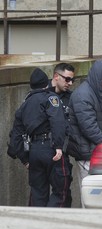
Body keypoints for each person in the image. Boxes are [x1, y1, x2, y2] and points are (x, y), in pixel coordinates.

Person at [11, 68, 70, 207]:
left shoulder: (24, 104)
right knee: (60, 190)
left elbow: (15, 134)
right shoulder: (51, 98)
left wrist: (25, 159)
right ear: (46, 84)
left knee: (37, 192)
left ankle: (35, 224)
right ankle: (51, 223)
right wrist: (58, 146)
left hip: (34, 151)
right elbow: (58, 122)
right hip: (51, 149)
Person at [68, 59, 102, 190]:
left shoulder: (95, 93)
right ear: (100, 78)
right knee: (90, 193)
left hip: (94, 150)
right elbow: (89, 127)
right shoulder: (83, 95)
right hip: (86, 152)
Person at [49, 62, 76, 207]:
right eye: (67, 79)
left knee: (64, 194)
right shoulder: (41, 94)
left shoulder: (71, 98)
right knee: (39, 194)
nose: (70, 83)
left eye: (72, 80)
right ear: (56, 76)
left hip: (62, 152)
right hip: (43, 149)